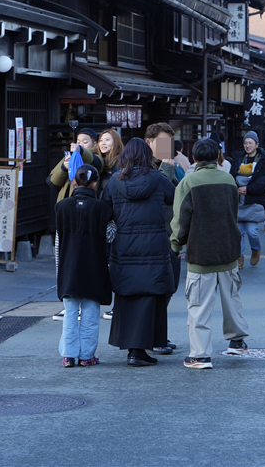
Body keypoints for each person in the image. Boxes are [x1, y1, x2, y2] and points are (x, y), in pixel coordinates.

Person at [170, 138, 250, 369]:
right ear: (218, 157)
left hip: (200, 250)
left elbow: (180, 221)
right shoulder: (228, 179)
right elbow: (232, 213)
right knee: (231, 298)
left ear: (194, 158)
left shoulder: (188, 182)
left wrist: (175, 246)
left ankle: (201, 355)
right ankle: (237, 341)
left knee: (199, 305)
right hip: (228, 248)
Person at [102, 138, 176, 366]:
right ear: (147, 156)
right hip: (154, 245)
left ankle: (133, 350)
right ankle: (141, 350)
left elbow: (105, 210)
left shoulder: (114, 182)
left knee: (127, 297)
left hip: (124, 247)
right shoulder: (158, 178)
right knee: (151, 296)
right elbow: (175, 198)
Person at [56, 165, 112, 367]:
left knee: (70, 313)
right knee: (90, 313)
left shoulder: (61, 207)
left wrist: (60, 271)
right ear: (95, 183)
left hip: (69, 267)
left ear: (73, 182)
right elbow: (110, 236)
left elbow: (58, 243)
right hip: (94, 267)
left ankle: (68, 356)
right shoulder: (103, 209)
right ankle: (87, 356)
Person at [144, 122, 181, 355]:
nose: (167, 147)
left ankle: (159, 334)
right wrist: (166, 171)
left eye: (170, 142)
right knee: (155, 289)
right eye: (162, 142)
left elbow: (181, 195)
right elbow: (159, 196)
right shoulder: (143, 166)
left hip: (172, 235)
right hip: (151, 237)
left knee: (170, 286)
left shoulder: (174, 166)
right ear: (149, 142)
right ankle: (152, 337)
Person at [229, 131, 265, 267]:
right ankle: (239, 257)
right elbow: (231, 176)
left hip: (254, 200)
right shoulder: (237, 158)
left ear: (257, 144)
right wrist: (236, 188)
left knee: (252, 231)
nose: (247, 146)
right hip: (239, 201)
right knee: (239, 233)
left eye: (250, 143)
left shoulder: (264, 159)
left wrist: (248, 189)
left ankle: (256, 250)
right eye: (245, 143)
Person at [96, 128, 125, 196]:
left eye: (107, 140)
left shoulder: (122, 162)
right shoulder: (101, 162)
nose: (103, 143)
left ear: (116, 142)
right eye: (100, 140)